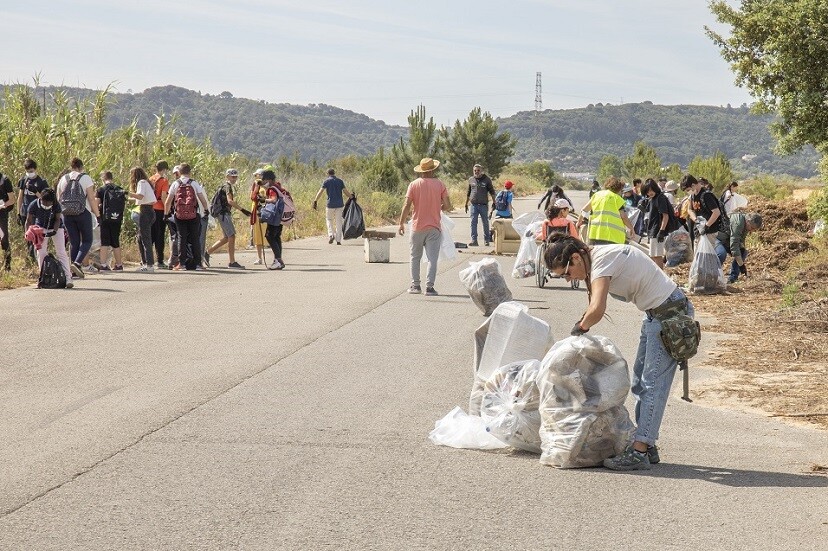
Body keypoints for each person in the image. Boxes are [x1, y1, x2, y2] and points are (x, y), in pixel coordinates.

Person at [543, 234, 695, 470]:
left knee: (652, 384)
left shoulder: (602, 260)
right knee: (639, 384)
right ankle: (646, 442)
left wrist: (577, 332)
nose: (567, 279)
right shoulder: (597, 259)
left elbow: (597, 309)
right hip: (656, 314)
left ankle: (640, 451)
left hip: (670, 316)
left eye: (566, 273)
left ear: (575, 257)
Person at [398, 157, 451, 296]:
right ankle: (430, 287)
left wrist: (401, 223)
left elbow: (407, 205)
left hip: (417, 227)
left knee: (415, 257)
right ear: (433, 170)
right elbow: (448, 205)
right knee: (432, 259)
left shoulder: (413, 185)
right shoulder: (440, 185)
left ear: (421, 171)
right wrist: (438, 206)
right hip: (434, 227)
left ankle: (415, 286)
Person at [56, 157, 100, 278]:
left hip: (67, 214)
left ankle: (73, 272)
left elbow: (59, 198)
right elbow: (91, 198)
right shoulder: (85, 178)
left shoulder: (63, 179)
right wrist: (97, 215)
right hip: (83, 212)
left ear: (71, 167)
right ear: (81, 167)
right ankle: (77, 263)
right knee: (87, 240)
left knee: (74, 242)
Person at [25, 188, 74, 288]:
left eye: (49, 203)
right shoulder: (34, 204)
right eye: (45, 202)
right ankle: (42, 278)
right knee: (41, 253)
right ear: (41, 199)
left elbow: (57, 220)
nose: (46, 205)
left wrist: (54, 231)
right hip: (40, 229)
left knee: (61, 252)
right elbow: (28, 221)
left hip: (56, 228)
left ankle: (68, 277)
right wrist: (27, 233)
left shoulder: (56, 206)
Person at [164, 163, 209, 270]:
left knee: (181, 238)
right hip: (193, 214)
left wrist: (166, 214)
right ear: (190, 172)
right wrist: (206, 210)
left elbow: (168, 202)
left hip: (179, 216)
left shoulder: (176, 184)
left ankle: (182, 264)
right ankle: (198, 264)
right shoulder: (194, 183)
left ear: (179, 172)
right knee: (195, 239)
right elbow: (202, 198)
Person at [206, 168, 249, 269]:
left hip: (222, 213)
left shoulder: (224, 186)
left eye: (235, 177)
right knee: (232, 236)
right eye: (232, 176)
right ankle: (232, 262)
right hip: (224, 214)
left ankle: (207, 253)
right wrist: (243, 210)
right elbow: (230, 201)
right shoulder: (227, 186)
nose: (234, 178)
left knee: (227, 238)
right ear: (227, 177)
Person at [576, 177, 635, 245]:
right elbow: (623, 216)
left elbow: (584, 210)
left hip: (595, 235)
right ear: (619, 189)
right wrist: (631, 228)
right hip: (612, 237)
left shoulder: (597, 195)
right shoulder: (617, 198)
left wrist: (579, 221)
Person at [16, 158, 49, 262]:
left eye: (31, 171)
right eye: (28, 171)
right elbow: (20, 197)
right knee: (28, 236)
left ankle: (38, 257)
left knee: (37, 237)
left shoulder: (42, 182)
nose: (29, 173)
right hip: (25, 212)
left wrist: (35, 192)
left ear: (35, 169)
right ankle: (31, 258)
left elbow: (45, 199)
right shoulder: (23, 180)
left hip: (37, 213)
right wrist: (18, 212)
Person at [715, 212, 763, 284]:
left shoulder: (746, 224)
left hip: (727, 240)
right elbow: (734, 245)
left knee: (742, 252)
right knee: (721, 254)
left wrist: (742, 249)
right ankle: (712, 275)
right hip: (717, 238)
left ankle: (732, 279)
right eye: (752, 228)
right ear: (748, 221)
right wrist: (741, 265)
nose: (751, 231)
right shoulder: (738, 223)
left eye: (754, 229)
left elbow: (740, 240)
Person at [641, 179, 677, 269]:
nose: (650, 193)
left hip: (657, 230)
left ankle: (660, 276)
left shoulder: (660, 198)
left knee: (657, 255)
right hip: (653, 230)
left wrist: (661, 231)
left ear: (655, 188)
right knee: (653, 255)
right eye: (647, 191)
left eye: (651, 190)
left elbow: (665, 216)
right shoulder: (653, 199)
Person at [313, 168, 353, 245]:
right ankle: (338, 240)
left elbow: (320, 192)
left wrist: (315, 201)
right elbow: (345, 192)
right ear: (334, 173)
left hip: (330, 204)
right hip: (339, 204)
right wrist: (352, 197)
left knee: (329, 219)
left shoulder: (326, 181)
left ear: (327, 174)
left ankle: (331, 235)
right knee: (339, 222)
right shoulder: (340, 181)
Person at [127, 166, 157, 272]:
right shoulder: (146, 183)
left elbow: (140, 196)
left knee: (145, 239)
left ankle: (149, 265)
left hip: (145, 211)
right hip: (148, 210)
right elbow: (141, 198)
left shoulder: (141, 183)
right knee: (140, 238)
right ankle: (144, 263)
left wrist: (127, 193)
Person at [95, 171, 126, 271]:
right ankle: (119, 265)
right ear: (112, 178)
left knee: (104, 242)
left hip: (105, 218)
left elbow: (96, 203)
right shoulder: (119, 189)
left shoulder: (101, 189)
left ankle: (103, 265)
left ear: (103, 179)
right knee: (115, 242)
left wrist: (98, 212)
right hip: (117, 218)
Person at [681, 174, 723, 243]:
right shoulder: (693, 195)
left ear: (693, 185)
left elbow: (716, 212)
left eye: (688, 190)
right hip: (699, 230)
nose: (688, 192)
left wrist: (706, 226)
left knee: (708, 253)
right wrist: (696, 220)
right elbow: (690, 209)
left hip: (709, 232)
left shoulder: (706, 195)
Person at [259, 170, 286, 270]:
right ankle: (278, 260)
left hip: (275, 216)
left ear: (269, 179)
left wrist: (264, 200)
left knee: (269, 236)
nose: (263, 181)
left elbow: (274, 200)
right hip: (281, 216)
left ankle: (278, 260)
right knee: (277, 237)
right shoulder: (278, 186)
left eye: (264, 179)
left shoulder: (272, 189)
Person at [465, 163, 495, 247]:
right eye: (475, 170)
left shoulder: (487, 179)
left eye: (478, 170)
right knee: (473, 222)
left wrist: (494, 202)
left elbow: (492, 191)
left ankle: (487, 240)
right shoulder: (471, 179)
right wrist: (466, 203)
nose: (476, 172)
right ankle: (474, 240)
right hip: (473, 205)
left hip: (483, 205)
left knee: (485, 222)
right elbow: (468, 192)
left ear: (481, 171)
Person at [148, 161, 170, 269]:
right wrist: (167, 210)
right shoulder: (164, 180)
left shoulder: (150, 179)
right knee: (160, 236)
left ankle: (147, 259)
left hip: (150, 209)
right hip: (160, 209)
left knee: (150, 235)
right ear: (164, 169)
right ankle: (160, 260)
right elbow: (163, 196)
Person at [0, 171, 14, 270]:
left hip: (2, 212)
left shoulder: (5, 180)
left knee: (4, 238)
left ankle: (7, 265)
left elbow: (12, 199)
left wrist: (3, 205)